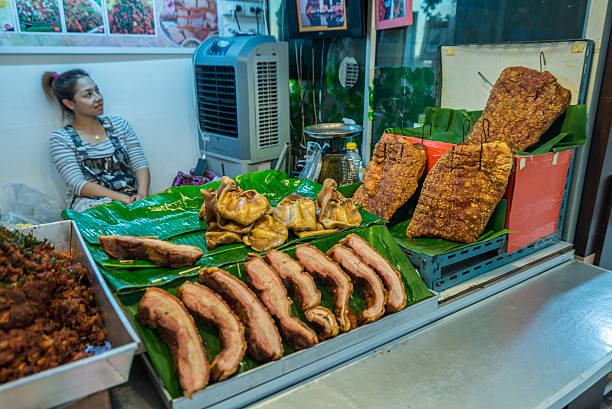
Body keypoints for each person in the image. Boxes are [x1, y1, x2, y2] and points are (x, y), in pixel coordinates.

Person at [42, 69, 150, 212]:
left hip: (130, 200)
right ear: (69, 103)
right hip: (91, 206)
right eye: (88, 95)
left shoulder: (119, 125)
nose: (98, 97)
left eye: (97, 90)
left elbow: (140, 164)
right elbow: (78, 184)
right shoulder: (61, 139)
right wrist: (122, 199)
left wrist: (142, 196)